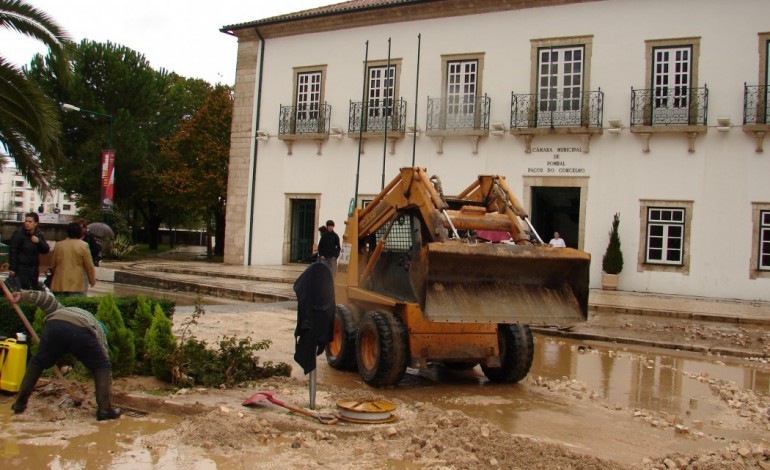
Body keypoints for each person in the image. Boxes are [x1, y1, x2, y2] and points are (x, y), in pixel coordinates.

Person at [8, 286, 122, 421]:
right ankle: (105, 410)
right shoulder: (98, 331)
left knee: (37, 362)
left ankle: (19, 405)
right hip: (80, 332)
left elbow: (45, 298)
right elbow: (104, 362)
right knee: (102, 366)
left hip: (54, 327)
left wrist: (23, 295)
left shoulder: (62, 310)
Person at [50, 222, 96, 297]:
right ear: (79, 232)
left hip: (59, 283)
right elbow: (89, 265)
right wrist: (92, 280)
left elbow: (53, 264)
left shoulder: (59, 245)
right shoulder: (83, 245)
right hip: (76, 284)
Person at [9, 212, 51, 289]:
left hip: (33, 269)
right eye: (26, 221)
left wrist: (39, 242)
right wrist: (12, 269)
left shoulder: (38, 234)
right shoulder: (19, 234)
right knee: (21, 290)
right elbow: (13, 251)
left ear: (35, 223)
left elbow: (45, 250)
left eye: (30, 222)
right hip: (21, 269)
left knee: (32, 291)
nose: (27, 223)